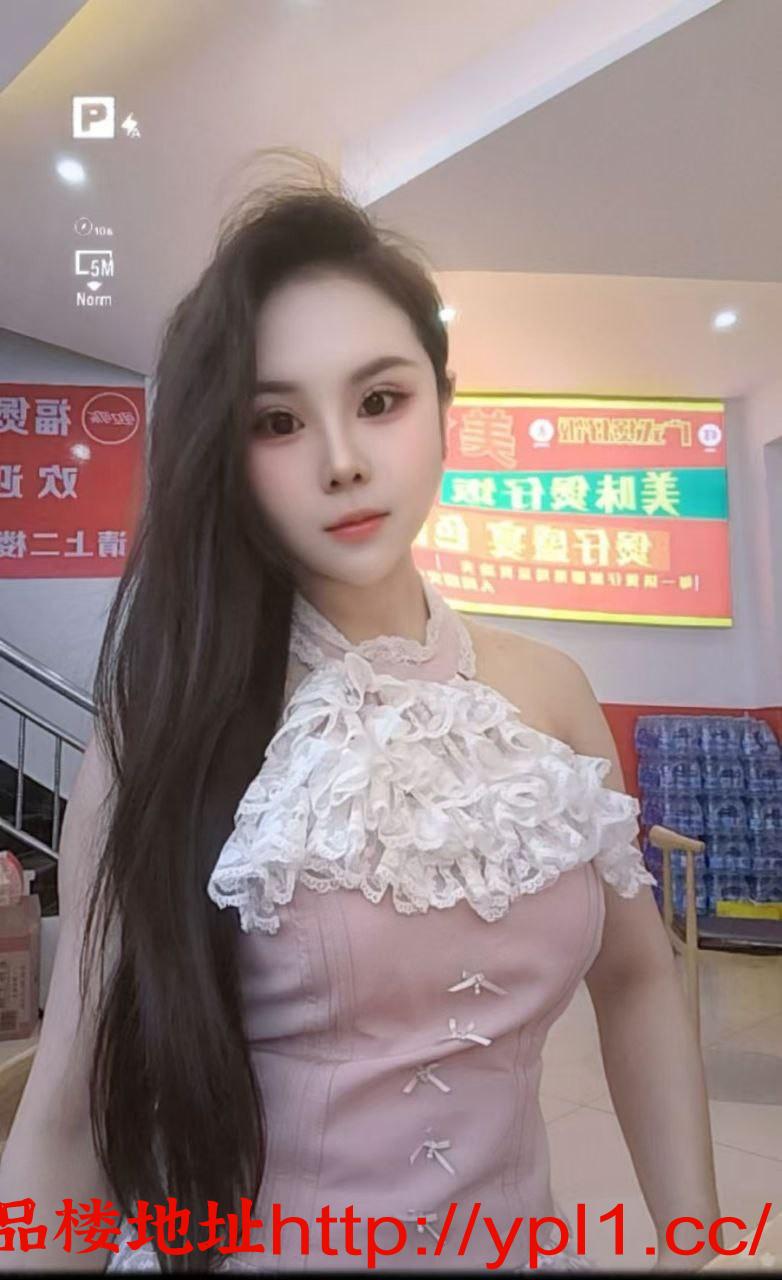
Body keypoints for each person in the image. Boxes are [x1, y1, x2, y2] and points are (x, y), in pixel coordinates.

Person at [0, 148, 723, 1275]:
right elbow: (67, 1118)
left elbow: (634, 977)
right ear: (224, 456)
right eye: (276, 422)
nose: (342, 461)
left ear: (444, 409)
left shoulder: (549, 692)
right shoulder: (169, 729)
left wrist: (700, 1246)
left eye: (380, 400)